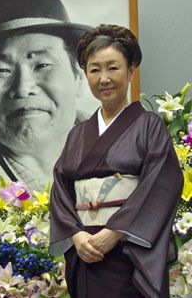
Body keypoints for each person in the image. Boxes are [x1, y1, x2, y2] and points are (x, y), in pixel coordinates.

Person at [49, 24, 183, 298]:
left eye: (113, 67)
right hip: (86, 250)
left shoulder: (149, 126)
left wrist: (115, 231)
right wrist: (76, 235)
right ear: (85, 75)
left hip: (127, 252)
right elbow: (61, 188)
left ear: (131, 71)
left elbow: (161, 185)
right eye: (94, 69)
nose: (104, 78)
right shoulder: (77, 134)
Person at [0, 0, 91, 191]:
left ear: (79, 78)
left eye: (42, 65)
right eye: (1, 70)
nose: (22, 88)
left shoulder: (125, 151)